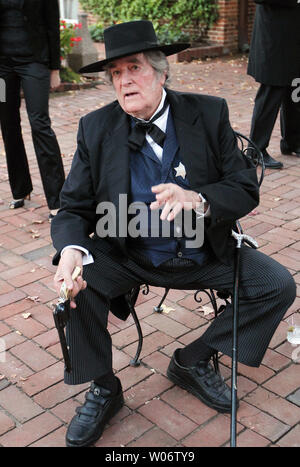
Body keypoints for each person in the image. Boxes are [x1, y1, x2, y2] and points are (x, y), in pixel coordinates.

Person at [51, 20, 296, 447]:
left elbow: (244, 189)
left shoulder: (208, 112)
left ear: (162, 72)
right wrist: (72, 249)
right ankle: (104, 387)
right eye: (115, 73)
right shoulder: (96, 128)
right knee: (77, 285)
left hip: (205, 253)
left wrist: (199, 199)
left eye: (135, 67)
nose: (124, 81)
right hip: (128, 252)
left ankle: (193, 360)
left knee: (276, 285)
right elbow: (73, 206)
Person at [0, 0, 65, 218]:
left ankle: (57, 199)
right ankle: (20, 189)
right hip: (2, 67)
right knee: (7, 123)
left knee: (39, 124)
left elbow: (52, 24)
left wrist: (54, 68)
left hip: (34, 63)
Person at [248, 0, 300, 169]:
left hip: (294, 37)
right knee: (271, 93)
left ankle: (292, 142)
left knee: (295, 91)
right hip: (274, 36)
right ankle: (255, 151)